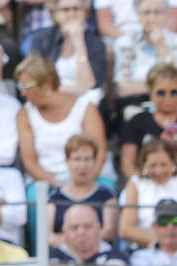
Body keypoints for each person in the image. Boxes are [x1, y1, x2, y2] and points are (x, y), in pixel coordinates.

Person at [14, 57, 106, 193]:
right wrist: (60, 189)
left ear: (47, 84)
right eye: (21, 87)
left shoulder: (85, 107)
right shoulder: (25, 114)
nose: (23, 93)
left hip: (88, 177)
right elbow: (30, 162)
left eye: (27, 87)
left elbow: (99, 153)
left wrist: (80, 187)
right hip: (45, 182)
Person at [118, 137, 177, 249]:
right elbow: (126, 229)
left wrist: (169, 241)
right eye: (153, 165)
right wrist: (160, 242)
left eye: (163, 164)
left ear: (173, 162)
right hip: (146, 248)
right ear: (144, 165)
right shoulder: (136, 183)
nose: (158, 171)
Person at [114, 0, 177, 117]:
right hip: (137, 105)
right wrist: (164, 88)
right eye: (146, 13)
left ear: (166, 14)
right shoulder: (125, 43)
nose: (151, 18)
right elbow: (123, 89)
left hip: (174, 106)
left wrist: (161, 48)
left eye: (157, 12)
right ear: (138, 15)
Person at [23, 0, 110, 98]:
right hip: (49, 98)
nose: (71, 14)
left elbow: (89, 86)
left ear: (85, 12)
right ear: (54, 13)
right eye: (65, 9)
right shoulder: (42, 39)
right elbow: (34, 77)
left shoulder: (97, 44)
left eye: (76, 9)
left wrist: (79, 43)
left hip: (84, 100)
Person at [46, 133, 118, 248]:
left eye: (87, 159)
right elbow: (47, 235)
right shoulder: (54, 197)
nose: (82, 165)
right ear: (67, 161)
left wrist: (74, 240)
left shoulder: (107, 196)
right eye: (77, 159)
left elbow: (109, 233)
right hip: (62, 253)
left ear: (95, 161)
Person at [48, 203, 130, 266]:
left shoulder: (114, 253)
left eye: (87, 226)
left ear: (99, 228)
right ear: (64, 230)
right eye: (74, 227)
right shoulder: (53, 253)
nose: (81, 232)